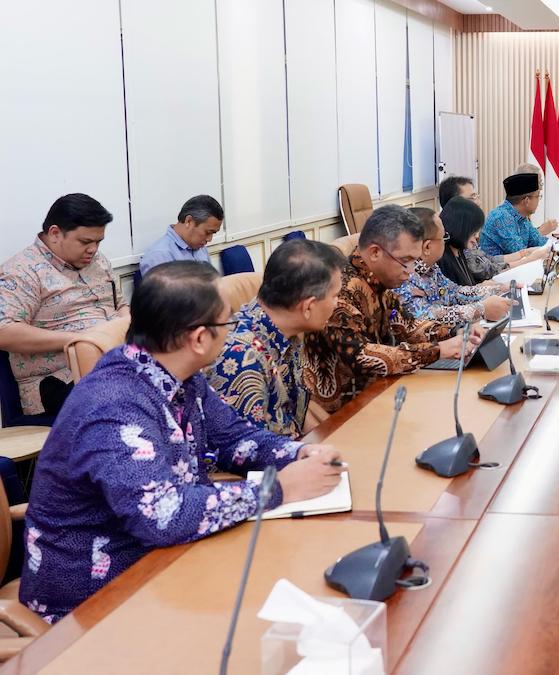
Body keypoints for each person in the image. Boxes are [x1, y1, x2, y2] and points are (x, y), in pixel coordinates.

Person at [20, 261, 344, 623]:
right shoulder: (114, 407)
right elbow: (163, 516)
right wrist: (278, 489)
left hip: (165, 566)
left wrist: (299, 453)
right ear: (200, 339)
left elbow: (235, 438)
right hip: (93, 605)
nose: (233, 330)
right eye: (227, 322)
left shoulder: (179, 377)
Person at [301, 205, 481, 413]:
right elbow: (361, 356)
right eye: (405, 261)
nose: (411, 271)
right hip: (341, 416)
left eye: (414, 261)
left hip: (380, 397)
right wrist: (437, 350)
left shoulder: (381, 282)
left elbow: (407, 325)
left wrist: (456, 333)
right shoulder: (339, 289)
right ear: (375, 252)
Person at [0, 194, 127, 417]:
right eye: (85, 242)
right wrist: (83, 340)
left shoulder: (98, 261)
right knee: (132, 401)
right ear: (55, 233)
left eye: (98, 242)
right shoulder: (22, 272)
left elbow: (121, 305)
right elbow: (4, 331)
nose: (93, 249)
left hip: (113, 361)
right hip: (59, 380)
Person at [207, 239, 346, 438]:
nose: (337, 303)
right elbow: (252, 449)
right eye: (335, 296)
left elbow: (295, 412)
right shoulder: (243, 360)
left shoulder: (285, 333)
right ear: (308, 306)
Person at [396, 208, 514, 325]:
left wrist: (498, 289)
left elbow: (455, 292)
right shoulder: (402, 277)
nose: (445, 242)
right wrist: (481, 310)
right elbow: (426, 317)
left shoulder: (430, 268)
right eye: (444, 237)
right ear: (427, 247)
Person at [438, 176, 546, 281]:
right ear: (455, 204)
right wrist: (529, 258)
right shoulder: (501, 217)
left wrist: (525, 253)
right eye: (473, 197)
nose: (479, 202)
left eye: (477, 196)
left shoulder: (461, 233)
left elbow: (488, 259)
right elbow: (487, 270)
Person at [480, 172, 559, 258]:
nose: (539, 200)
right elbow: (522, 253)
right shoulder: (501, 218)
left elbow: (539, 241)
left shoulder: (522, 217)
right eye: (538, 196)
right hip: (498, 274)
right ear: (527, 200)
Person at [138, 195, 224, 276]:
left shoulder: (199, 247)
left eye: (213, 233)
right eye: (208, 232)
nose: (209, 239)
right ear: (188, 221)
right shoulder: (159, 256)